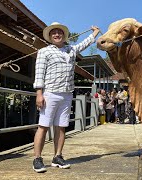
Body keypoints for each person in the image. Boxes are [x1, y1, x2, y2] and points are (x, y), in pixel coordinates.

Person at [32, 22, 100, 173]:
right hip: (50, 93)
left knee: (61, 127)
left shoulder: (71, 50)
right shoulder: (44, 52)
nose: (57, 34)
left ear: (64, 36)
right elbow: (39, 74)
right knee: (43, 126)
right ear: (50, 36)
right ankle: (37, 158)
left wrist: (94, 34)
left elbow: (84, 44)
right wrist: (39, 94)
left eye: (60, 32)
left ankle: (58, 156)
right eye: (54, 33)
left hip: (67, 94)